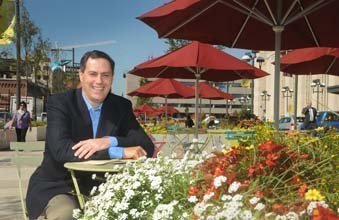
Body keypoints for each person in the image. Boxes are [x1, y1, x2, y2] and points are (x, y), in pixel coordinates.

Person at [26, 50, 154, 220]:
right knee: (66, 216)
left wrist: (108, 141)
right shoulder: (60, 103)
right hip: (59, 186)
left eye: (105, 75)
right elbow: (61, 150)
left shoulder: (121, 106)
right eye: (93, 74)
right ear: (81, 75)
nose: (99, 81)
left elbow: (145, 145)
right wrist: (118, 151)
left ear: (112, 78)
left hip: (102, 188)